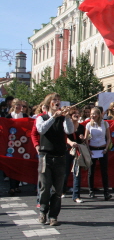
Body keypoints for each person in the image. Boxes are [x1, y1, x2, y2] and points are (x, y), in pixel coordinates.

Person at [36, 93, 74, 226]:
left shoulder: (62, 118)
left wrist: (68, 117)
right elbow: (41, 129)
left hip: (60, 157)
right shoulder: (41, 117)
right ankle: (43, 211)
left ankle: (53, 216)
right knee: (45, 187)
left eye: (59, 100)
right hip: (45, 156)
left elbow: (69, 130)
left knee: (58, 189)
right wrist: (53, 116)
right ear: (49, 103)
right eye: (54, 100)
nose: (57, 102)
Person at [85, 107, 112, 201]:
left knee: (104, 172)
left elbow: (108, 138)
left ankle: (106, 192)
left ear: (98, 115)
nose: (92, 116)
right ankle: (91, 191)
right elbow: (86, 139)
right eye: (91, 114)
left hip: (102, 149)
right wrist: (88, 150)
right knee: (91, 172)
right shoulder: (88, 125)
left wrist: (106, 148)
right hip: (93, 149)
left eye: (94, 114)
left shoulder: (105, 123)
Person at [65, 107, 85, 203]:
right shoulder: (67, 126)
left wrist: (83, 137)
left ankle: (76, 196)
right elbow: (65, 137)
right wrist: (70, 143)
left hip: (77, 152)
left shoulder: (81, 127)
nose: (76, 115)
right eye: (74, 114)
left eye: (78, 113)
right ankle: (62, 190)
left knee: (77, 173)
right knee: (65, 172)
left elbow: (83, 140)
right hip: (67, 150)